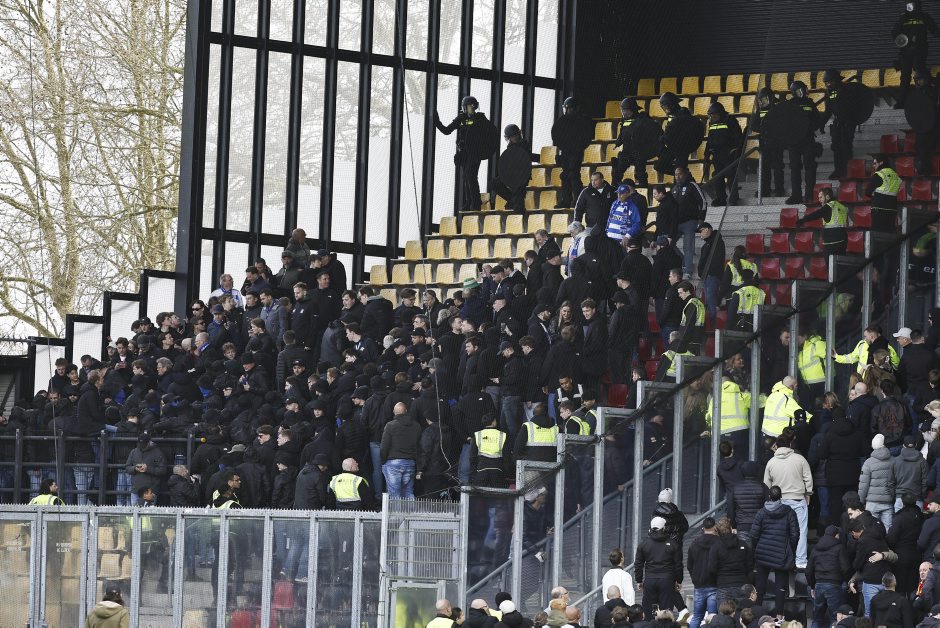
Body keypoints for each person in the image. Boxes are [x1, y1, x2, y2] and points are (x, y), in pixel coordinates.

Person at [434, 95, 496, 212]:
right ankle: (469, 201)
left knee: (471, 177)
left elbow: (490, 133)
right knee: (466, 178)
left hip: (475, 153)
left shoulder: (481, 119)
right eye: (468, 107)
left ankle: (476, 202)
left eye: (472, 106)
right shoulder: (461, 119)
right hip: (463, 154)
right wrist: (436, 121)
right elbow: (447, 130)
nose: (470, 109)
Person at [749, 486, 799, 618]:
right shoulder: (789, 512)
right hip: (781, 553)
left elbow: (753, 535)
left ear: (769, 496)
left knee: (760, 585)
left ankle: (757, 615)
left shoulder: (761, 512)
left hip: (763, 552)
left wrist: (757, 548)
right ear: (781, 496)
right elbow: (795, 535)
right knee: (780, 586)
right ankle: (779, 617)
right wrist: (790, 549)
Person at [764, 433, 813, 568]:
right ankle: (800, 561)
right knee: (801, 530)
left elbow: (766, 483)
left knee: (780, 530)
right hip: (797, 499)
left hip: (779, 501)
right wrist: (808, 493)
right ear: (790, 444)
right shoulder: (800, 459)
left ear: (777, 446)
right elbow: (808, 478)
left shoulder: (771, 462)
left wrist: (773, 495)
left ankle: (780, 559)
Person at [634, 516, 683, 618]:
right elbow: (678, 564)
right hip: (667, 581)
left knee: (651, 609)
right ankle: (664, 623)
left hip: (650, 580)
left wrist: (639, 580)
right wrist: (679, 580)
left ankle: (652, 621)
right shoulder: (673, 544)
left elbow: (638, 564)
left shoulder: (644, 544)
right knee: (666, 610)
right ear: (664, 528)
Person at [893, 0, 938, 108]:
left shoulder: (924, 17)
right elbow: (894, 33)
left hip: (919, 51)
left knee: (920, 75)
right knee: (905, 77)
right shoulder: (904, 17)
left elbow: (935, 30)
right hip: (906, 52)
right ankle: (902, 102)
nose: (910, 7)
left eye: (912, 5)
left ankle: (926, 98)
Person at [551, 97, 595, 208]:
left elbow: (586, 137)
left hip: (576, 152)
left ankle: (578, 200)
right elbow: (557, 137)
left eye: (569, 108)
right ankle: (566, 200)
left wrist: (577, 148)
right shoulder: (563, 121)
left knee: (574, 175)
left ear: (575, 108)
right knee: (565, 176)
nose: (567, 110)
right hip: (566, 152)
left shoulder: (582, 121)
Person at [806, 525, 849, 628]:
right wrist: (846, 581)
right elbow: (845, 568)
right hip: (834, 585)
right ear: (836, 535)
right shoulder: (839, 547)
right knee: (834, 619)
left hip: (819, 585)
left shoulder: (815, 548)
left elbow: (808, 571)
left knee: (817, 619)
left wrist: (812, 586)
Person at [612, 97, 660, 187]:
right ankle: (615, 188)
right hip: (627, 151)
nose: (624, 113)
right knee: (617, 171)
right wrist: (618, 142)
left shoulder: (643, 119)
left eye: (626, 110)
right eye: (623, 110)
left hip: (639, 151)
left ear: (633, 110)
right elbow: (623, 133)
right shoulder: (624, 120)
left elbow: (653, 132)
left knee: (640, 173)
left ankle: (643, 189)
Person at [785, 80, 820, 205]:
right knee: (795, 168)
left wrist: (811, 127)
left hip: (807, 139)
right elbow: (783, 123)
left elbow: (817, 119)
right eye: (802, 90)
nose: (805, 92)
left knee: (810, 166)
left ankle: (809, 194)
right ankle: (796, 195)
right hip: (794, 141)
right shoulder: (789, 104)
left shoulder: (810, 103)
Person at [380, 402, 422, 499]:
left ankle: (396, 510)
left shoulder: (390, 425)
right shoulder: (416, 426)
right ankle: (410, 509)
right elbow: (419, 447)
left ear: (394, 412)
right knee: (408, 491)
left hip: (393, 463)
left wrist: (383, 461)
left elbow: (384, 447)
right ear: (406, 411)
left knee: (395, 494)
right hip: (410, 463)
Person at [704, 102, 743, 206]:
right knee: (717, 176)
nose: (712, 118)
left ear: (719, 113)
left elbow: (738, 137)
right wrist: (707, 153)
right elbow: (709, 139)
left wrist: (735, 151)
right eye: (710, 116)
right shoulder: (712, 123)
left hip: (728, 153)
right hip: (717, 153)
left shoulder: (730, 120)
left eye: (714, 115)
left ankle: (733, 197)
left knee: (730, 174)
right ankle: (721, 198)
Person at [671, 166, 707, 279]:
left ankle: (688, 271)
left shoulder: (692, 185)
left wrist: (701, 219)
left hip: (689, 222)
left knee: (688, 247)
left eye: (680, 174)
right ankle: (683, 260)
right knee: (669, 243)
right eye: (676, 174)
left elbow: (703, 202)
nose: (677, 177)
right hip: (676, 223)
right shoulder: (674, 188)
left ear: (686, 174)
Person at [750, 87, 785, 197]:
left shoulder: (778, 108)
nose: (762, 102)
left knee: (778, 167)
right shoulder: (759, 111)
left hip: (777, 142)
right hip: (764, 142)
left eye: (764, 99)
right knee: (764, 167)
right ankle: (765, 190)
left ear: (770, 98)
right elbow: (753, 125)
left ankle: (779, 189)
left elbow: (783, 123)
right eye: (760, 100)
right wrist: (763, 129)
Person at [819, 69, 854, 179]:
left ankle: (848, 171)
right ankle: (838, 170)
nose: (828, 84)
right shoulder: (829, 93)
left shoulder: (846, 90)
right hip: (837, 123)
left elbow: (853, 107)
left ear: (837, 80)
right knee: (836, 147)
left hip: (847, 123)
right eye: (826, 82)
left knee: (846, 147)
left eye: (830, 82)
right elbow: (828, 111)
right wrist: (822, 124)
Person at [494, 124, 537, 212]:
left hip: (521, 176)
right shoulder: (510, 147)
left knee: (518, 203)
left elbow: (527, 158)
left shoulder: (523, 145)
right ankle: (512, 200)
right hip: (512, 174)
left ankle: (516, 205)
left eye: (515, 135)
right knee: (494, 183)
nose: (514, 138)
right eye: (512, 137)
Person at [859, 433, 898, 529]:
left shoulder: (868, 462)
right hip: (888, 501)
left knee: (870, 529)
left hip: (872, 502)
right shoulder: (894, 461)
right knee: (888, 528)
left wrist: (861, 500)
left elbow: (863, 484)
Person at [687, 517, 720, 628]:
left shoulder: (694, 543)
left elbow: (689, 565)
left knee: (697, 616)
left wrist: (695, 578)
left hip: (699, 584)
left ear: (703, 528)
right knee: (713, 617)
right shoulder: (719, 542)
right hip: (714, 583)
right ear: (715, 527)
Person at [796, 187, 848, 254]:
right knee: (841, 260)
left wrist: (802, 220)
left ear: (827, 197)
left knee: (829, 260)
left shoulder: (828, 206)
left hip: (831, 241)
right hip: (843, 241)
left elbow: (816, 214)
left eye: (821, 197)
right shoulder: (842, 207)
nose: (819, 200)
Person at [696, 223, 725, 325]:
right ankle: (711, 323)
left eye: (701, 231)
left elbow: (716, 260)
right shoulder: (708, 244)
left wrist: (708, 272)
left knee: (711, 300)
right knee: (709, 301)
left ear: (707, 230)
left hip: (712, 276)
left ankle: (714, 324)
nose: (700, 234)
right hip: (706, 276)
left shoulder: (716, 242)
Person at [865, 153, 902, 232]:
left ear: (881, 163)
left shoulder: (879, 174)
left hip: (879, 209)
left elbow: (867, 192)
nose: (873, 166)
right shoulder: (896, 176)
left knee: (878, 234)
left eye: (875, 163)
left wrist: (875, 195)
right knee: (889, 233)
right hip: (892, 209)